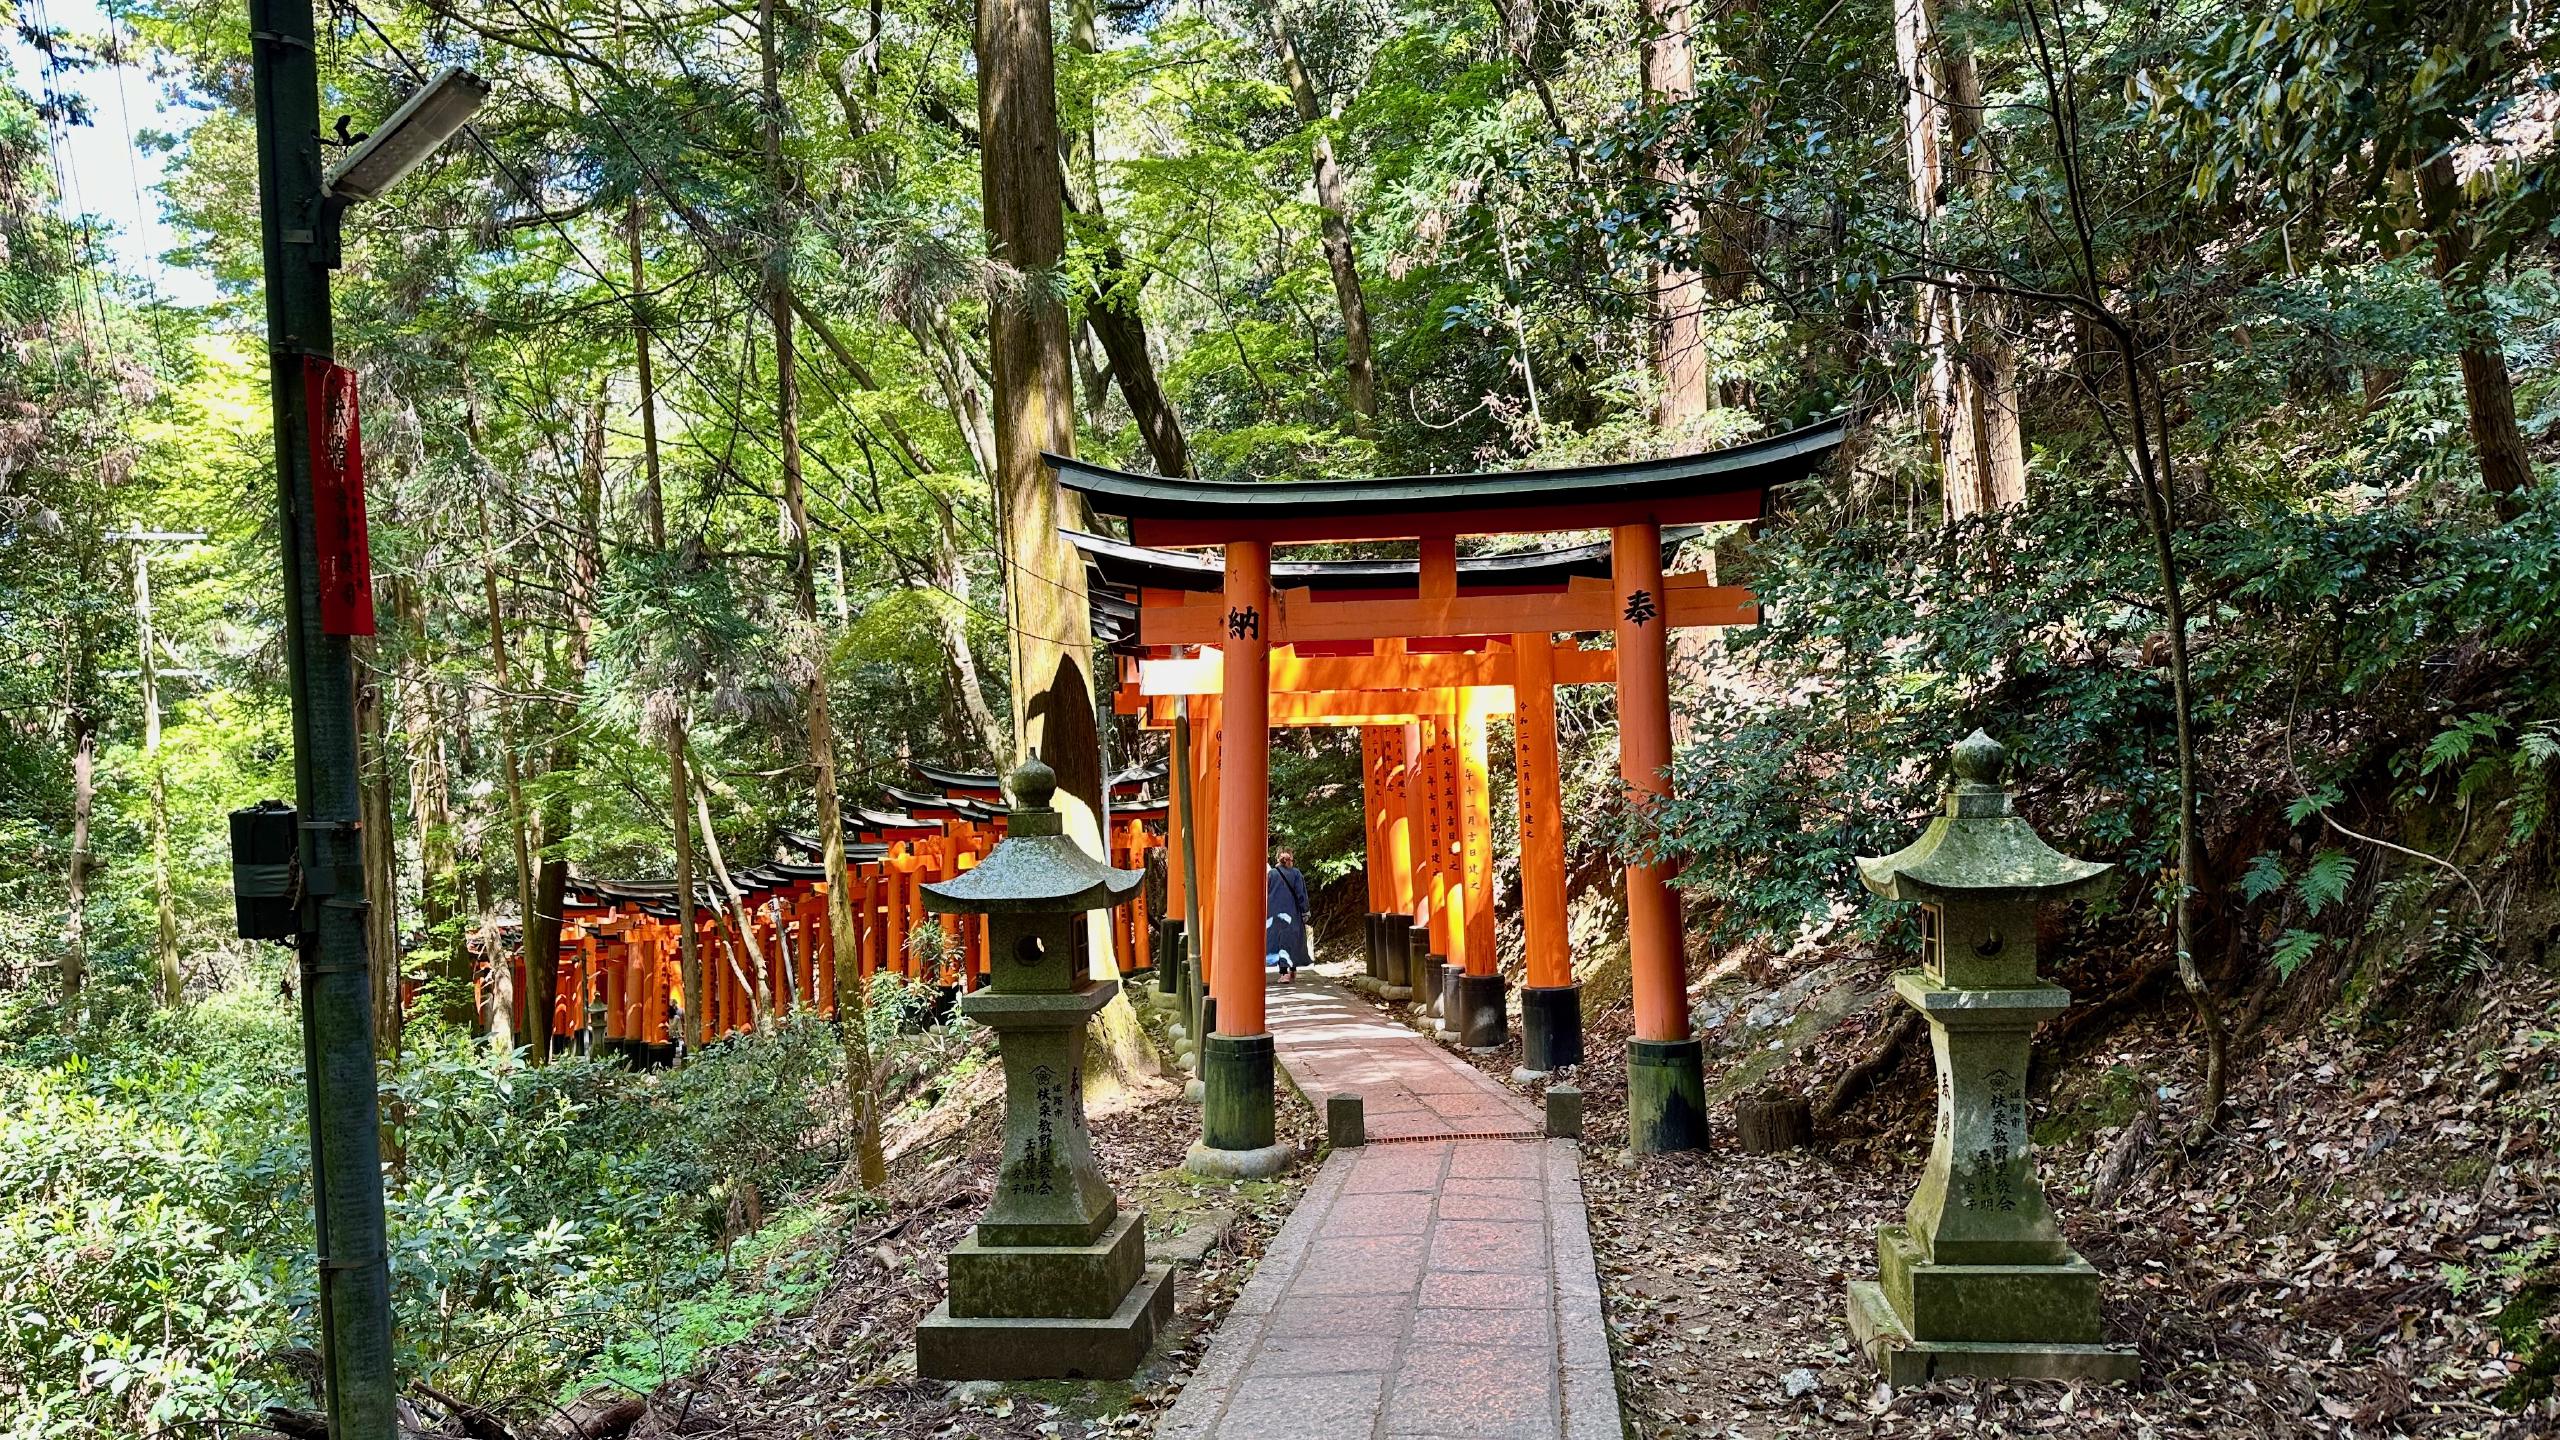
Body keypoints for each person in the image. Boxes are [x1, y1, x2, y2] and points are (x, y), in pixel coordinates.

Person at [1266, 847, 1312, 982]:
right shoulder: (1296, 874)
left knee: (1280, 942)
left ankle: (1283, 972)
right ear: (1290, 858)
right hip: (1293, 913)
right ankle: (1292, 970)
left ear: (1278, 858)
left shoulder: (1271, 874)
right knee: (1294, 940)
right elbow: (1301, 894)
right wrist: (1305, 910)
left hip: (1274, 914)